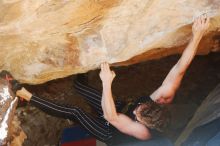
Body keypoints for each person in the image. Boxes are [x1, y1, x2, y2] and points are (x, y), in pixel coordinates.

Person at [9, 15, 209, 145]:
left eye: (139, 113)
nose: (138, 109)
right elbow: (179, 69)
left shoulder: (141, 131)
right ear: (156, 103)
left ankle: (24, 94)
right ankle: (81, 79)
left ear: (141, 121)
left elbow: (111, 117)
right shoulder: (160, 99)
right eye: (142, 106)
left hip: (110, 130)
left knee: (76, 111)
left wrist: (106, 81)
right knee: (80, 87)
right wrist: (197, 35)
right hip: (121, 109)